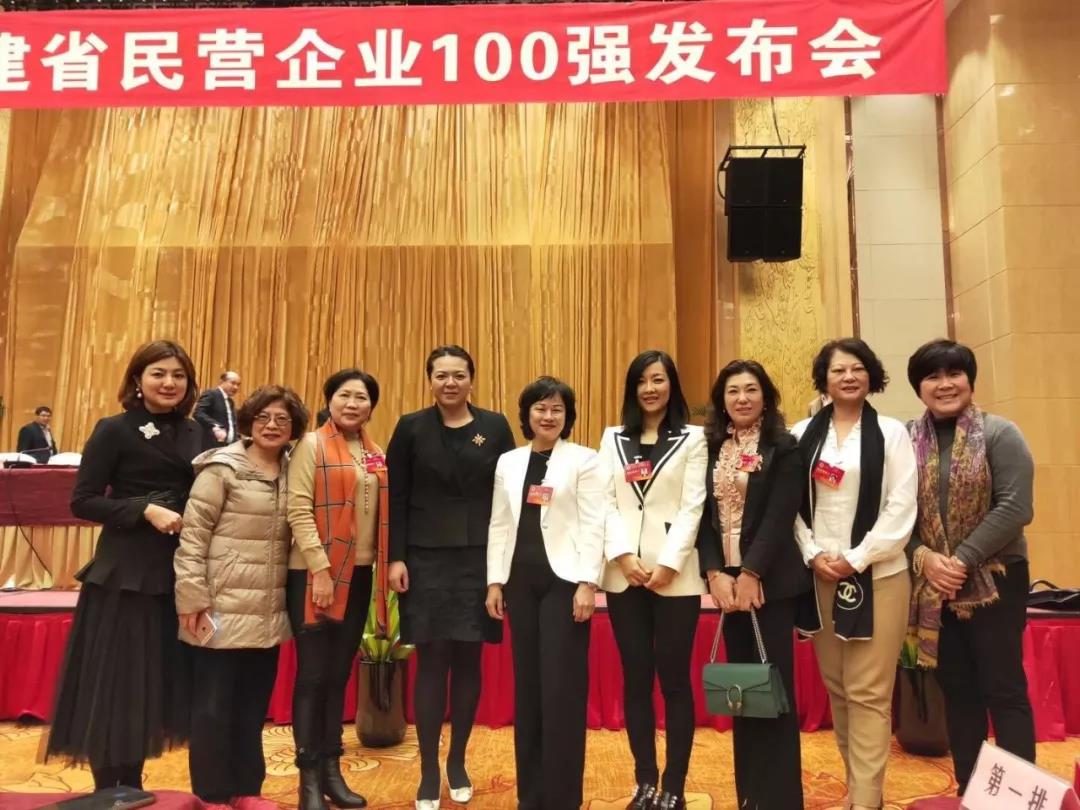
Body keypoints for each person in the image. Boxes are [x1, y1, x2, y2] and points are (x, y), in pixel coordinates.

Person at [46, 340, 202, 790]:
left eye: (178, 375)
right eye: (158, 373)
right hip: (127, 574)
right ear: (137, 379)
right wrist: (143, 510)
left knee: (151, 685)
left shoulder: (197, 433)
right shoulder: (115, 429)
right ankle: (109, 790)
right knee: (118, 685)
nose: (169, 382)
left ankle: (131, 788)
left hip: (179, 571)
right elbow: (83, 501)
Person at [904, 339, 1036, 794]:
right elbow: (895, 512)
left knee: (1003, 688)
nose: (945, 384)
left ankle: (1016, 796)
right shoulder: (906, 440)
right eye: (932, 376)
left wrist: (960, 559)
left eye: (954, 374)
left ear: (970, 381)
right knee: (959, 692)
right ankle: (972, 789)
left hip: (997, 578)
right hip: (934, 584)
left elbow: (1016, 507)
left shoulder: (1001, 433)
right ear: (918, 387)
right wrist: (924, 557)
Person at [386, 345, 515, 809]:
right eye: (441, 375)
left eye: (458, 375)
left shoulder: (495, 426)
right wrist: (395, 558)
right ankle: (427, 770)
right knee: (431, 661)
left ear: (471, 380)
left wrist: (503, 568)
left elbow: (508, 495)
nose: (450, 383)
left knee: (468, 661)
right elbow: (396, 497)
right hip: (424, 560)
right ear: (430, 380)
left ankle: (457, 760)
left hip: (479, 560)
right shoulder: (410, 427)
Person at [792, 338, 917, 810]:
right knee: (840, 690)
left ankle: (865, 802)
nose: (848, 377)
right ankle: (861, 792)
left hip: (878, 575)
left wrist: (858, 558)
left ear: (871, 375)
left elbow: (902, 505)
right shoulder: (802, 433)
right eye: (838, 370)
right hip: (820, 575)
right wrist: (812, 552)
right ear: (823, 378)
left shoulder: (891, 433)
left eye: (857, 368)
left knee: (867, 692)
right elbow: (789, 505)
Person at [174, 385, 310, 809]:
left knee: (252, 710)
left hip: (266, 611)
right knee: (212, 709)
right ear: (249, 422)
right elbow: (192, 538)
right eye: (263, 417)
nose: (272, 425)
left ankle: (248, 791)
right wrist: (192, 597)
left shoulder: (293, 471)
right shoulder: (222, 468)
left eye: (282, 419)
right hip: (219, 606)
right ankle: (212, 796)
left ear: (294, 428)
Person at [486, 376, 606, 810]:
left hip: (565, 584)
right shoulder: (509, 461)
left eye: (557, 409)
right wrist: (494, 580)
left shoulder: (585, 460)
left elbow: (594, 522)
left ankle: (562, 798)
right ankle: (531, 797)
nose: (548, 415)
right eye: (540, 408)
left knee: (561, 692)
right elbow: (500, 522)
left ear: (567, 416)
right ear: (527, 414)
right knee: (529, 692)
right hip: (519, 583)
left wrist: (587, 583)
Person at [697, 360, 810, 809]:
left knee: (773, 695)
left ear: (766, 397)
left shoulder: (783, 446)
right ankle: (750, 796)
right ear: (721, 400)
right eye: (732, 391)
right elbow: (702, 517)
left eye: (750, 390)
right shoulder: (710, 447)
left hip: (769, 586)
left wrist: (751, 572)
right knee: (741, 694)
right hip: (726, 585)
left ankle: (780, 800)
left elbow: (781, 515)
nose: (741, 398)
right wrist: (714, 573)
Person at [598, 351, 707, 810]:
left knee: (675, 680)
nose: (650, 389)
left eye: (658, 379)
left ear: (672, 385)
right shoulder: (612, 438)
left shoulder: (694, 438)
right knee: (636, 678)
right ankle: (644, 781)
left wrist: (669, 563)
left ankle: (674, 786)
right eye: (642, 381)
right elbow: (603, 501)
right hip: (625, 578)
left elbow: (693, 505)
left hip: (674, 578)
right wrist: (623, 556)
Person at [286, 368, 387, 810]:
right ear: (329, 400)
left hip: (359, 574)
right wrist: (321, 570)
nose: (352, 404)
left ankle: (331, 769)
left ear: (371, 407)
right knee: (313, 676)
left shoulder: (375, 453)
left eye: (361, 398)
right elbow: (298, 509)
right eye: (344, 395)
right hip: (314, 574)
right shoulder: (310, 445)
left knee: (338, 675)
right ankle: (308, 779)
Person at [194, 371, 241, 449]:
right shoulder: (211, 394)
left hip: (229, 447)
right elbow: (198, 413)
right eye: (233, 383)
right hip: (212, 445)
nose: (236, 387)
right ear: (222, 382)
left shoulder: (230, 402)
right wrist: (217, 425)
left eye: (238, 385)